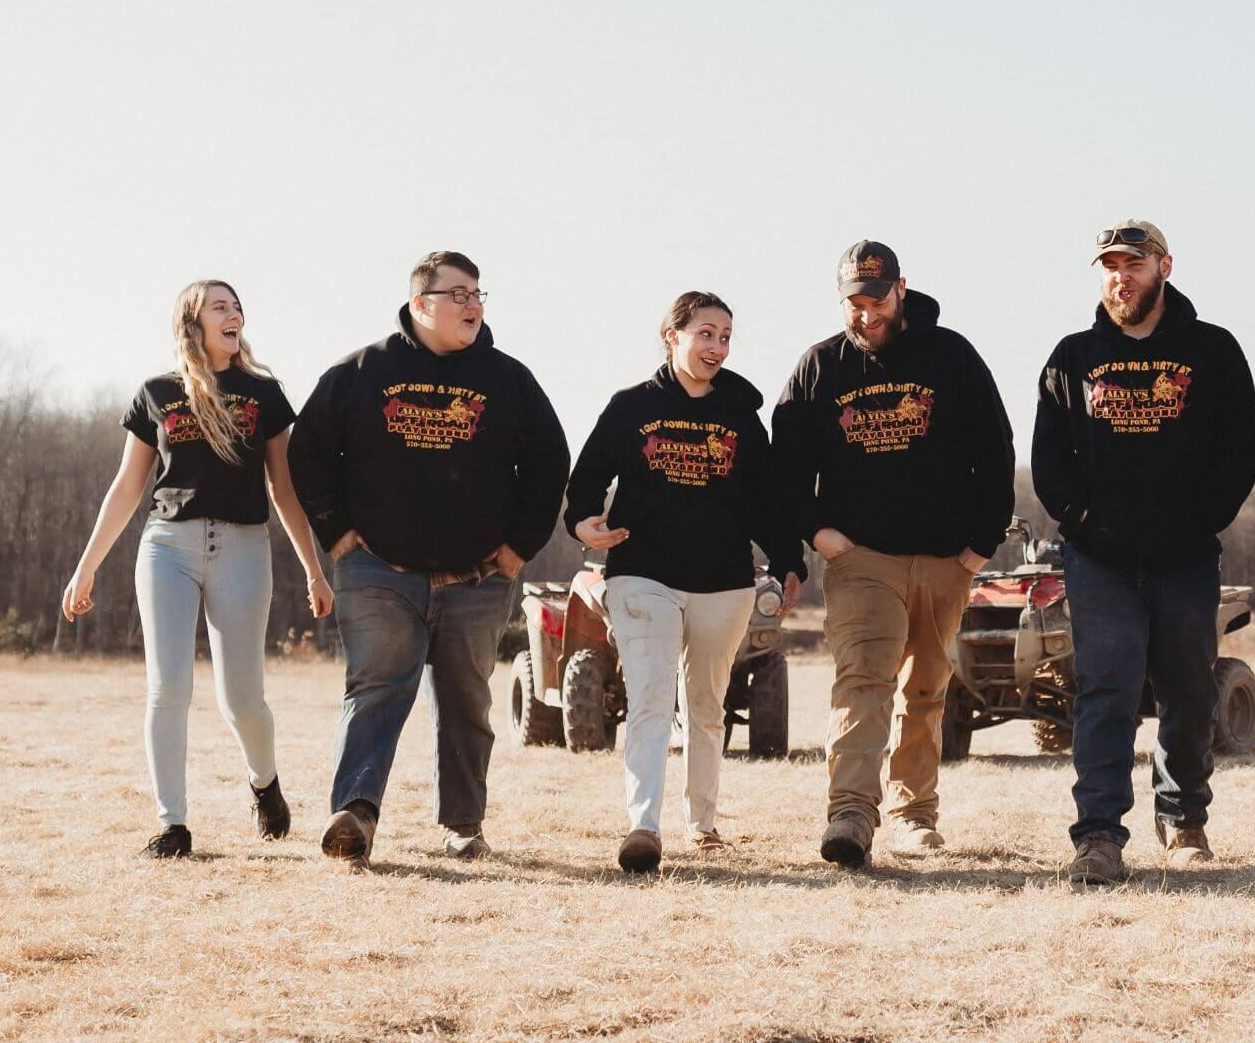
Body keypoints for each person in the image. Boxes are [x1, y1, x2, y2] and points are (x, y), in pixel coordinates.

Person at [289, 250, 569, 866]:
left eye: (478, 294)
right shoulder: (362, 372)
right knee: (377, 686)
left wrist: (519, 547)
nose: (472, 304)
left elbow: (550, 463)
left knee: (468, 698)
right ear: (421, 304)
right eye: (458, 294)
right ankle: (355, 815)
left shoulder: (508, 380)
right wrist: (336, 533)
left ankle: (464, 825)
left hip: (477, 577)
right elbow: (306, 451)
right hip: (378, 570)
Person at [62, 279, 333, 859]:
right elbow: (127, 486)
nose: (234, 314)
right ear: (193, 322)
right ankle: (172, 824)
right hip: (167, 547)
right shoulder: (157, 393)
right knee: (168, 687)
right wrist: (86, 568)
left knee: (241, 697)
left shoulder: (263, 393)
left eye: (237, 306)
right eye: (220, 307)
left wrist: (313, 567)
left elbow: (283, 488)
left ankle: (265, 784)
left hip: (243, 546)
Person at [1032, 219, 1255, 889]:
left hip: (1185, 558)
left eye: (1133, 264)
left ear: (1165, 266)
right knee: (1107, 690)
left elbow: (1241, 447)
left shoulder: (1212, 351)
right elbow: (1050, 458)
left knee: (1189, 688)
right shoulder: (1072, 357)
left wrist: (1199, 521)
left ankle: (1185, 817)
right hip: (1099, 561)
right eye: (1108, 265)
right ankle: (1099, 837)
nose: (1119, 276)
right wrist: (1083, 523)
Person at [772, 240, 1015, 868]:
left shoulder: (951, 355)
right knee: (863, 680)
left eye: (875, 300)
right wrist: (817, 533)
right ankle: (851, 814)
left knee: (927, 690)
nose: (864, 315)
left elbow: (995, 447)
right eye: (853, 303)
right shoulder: (820, 367)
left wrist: (979, 545)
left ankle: (914, 816)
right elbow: (785, 465)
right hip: (863, 558)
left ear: (900, 289)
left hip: (944, 561)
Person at [564, 292, 805, 874]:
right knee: (649, 698)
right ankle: (643, 826)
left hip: (724, 581)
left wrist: (787, 560)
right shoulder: (630, 408)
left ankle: (702, 823)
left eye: (725, 336)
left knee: (706, 704)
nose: (717, 346)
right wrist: (582, 523)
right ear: (672, 336)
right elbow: (588, 476)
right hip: (642, 575)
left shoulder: (741, 418)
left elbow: (765, 501)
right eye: (705, 333)